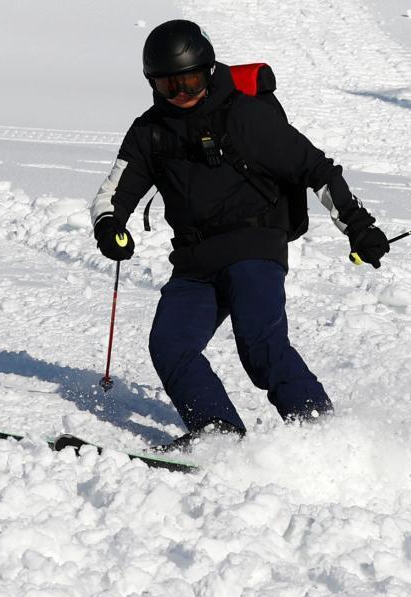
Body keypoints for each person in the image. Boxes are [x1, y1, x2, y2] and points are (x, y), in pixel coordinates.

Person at [90, 19, 389, 451]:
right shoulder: (149, 131)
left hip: (254, 246)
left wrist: (358, 227)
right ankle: (219, 432)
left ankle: (321, 433)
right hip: (195, 260)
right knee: (169, 344)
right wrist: (110, 225)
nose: (181, 96)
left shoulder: (244, 117)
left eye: (189, 82)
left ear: (208, 72)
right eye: (168, 86)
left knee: (259, 343)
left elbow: (316, 169)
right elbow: (113, 192)